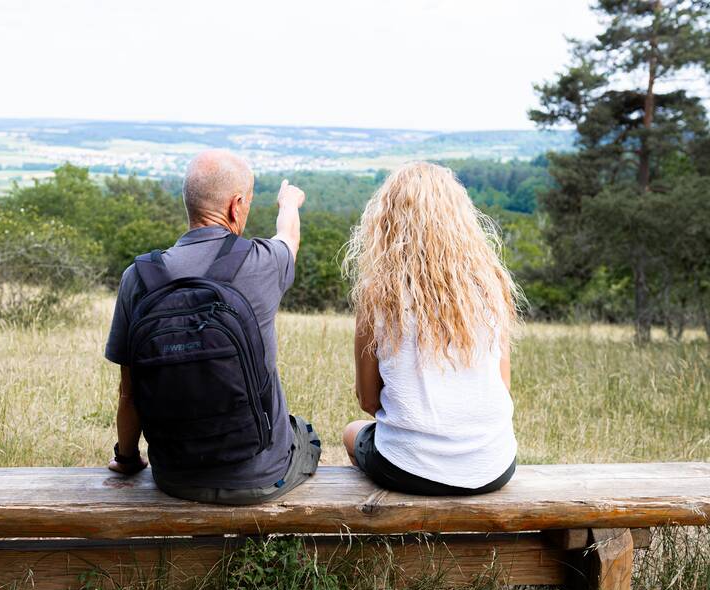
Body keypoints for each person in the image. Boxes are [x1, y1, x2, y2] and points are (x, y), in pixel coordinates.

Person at [104, 149, 320, 504]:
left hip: (173, 476)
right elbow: (289, 238)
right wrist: (289, 203)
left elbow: (129, 394)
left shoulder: (138, 277)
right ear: (236, 206)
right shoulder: (263, 261)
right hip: (259, 478)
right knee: (306, 435)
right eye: (247, 202)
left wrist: (127, 459)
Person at [341, 162, 519, 495]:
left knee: (353, 432)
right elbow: (503, 387)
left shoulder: (379, 294)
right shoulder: (491, 288)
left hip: (407, 468)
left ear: (387, 221)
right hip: (495, 465)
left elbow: (368, 401)